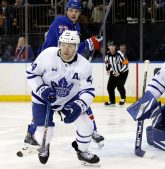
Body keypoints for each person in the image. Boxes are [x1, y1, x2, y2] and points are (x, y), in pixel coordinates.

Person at [24, 0, 104, 151]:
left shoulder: (76, 26)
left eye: (77, 11)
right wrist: (88, 44)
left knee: (78, 97)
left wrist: (89, 45)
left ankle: (91, 129)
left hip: (63, 66)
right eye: (71, 10)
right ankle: (32, 132)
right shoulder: (61, 21)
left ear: (80, 13)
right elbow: (65, 45)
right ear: (66, 10)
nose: (73, 13)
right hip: (50, 66)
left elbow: (72, 51)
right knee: (43, 101)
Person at [25, 30, 99, 165]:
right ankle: (44, 145)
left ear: (76, 47)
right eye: (63, 44)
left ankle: (82, 151)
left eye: (71, 45)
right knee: (45, 133)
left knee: (87, 125)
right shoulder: (47, 54)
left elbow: (88, 90)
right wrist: (42, 89)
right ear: (59, 44)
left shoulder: (84, 65)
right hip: (43, 98)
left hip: (69, 98)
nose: (66, 48)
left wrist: (80, 104)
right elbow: (31, 73)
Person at [104, 41, 129, 106]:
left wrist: (120, 72)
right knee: (109, 87)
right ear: (108, 47)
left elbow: (126, 64)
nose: (111, 47)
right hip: (115, 72)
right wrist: (108, 69)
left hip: (123, 72)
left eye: (113, 46)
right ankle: (112, 101)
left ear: (115, 47)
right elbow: (107, 63)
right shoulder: (108, 55)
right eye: (110, 46)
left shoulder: (120, 54)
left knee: (119, 85)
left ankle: (123, 98)